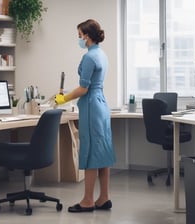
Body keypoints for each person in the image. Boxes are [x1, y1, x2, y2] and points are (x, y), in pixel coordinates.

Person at [55, 19, 116, 213]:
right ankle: (104, 198)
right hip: (102, 106)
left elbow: (83, 88)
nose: (79, 39)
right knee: (103, 153)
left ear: (87, 36)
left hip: (91, 107)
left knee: (90, 153)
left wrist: (62, 99)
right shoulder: (101, 54)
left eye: (79, 35)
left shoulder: (90, 57)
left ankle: (88, 200)